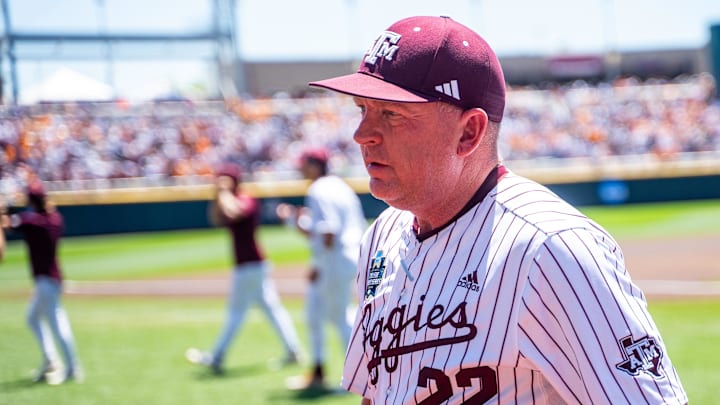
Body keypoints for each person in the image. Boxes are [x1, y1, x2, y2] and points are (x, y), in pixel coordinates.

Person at [308, 15, 688, 404]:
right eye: (362, 109)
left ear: (468, 132)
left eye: (391, 113)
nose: (361, 135)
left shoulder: (552, 249)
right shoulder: (382, 237)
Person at [185, 163, 302, 374]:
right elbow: (216, 218)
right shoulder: (227, 197)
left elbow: (234, 211)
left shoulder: (245, 197)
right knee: (272, 309)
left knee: (237, 313)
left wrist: (223, 192)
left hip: (251, 265)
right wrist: (218, 194)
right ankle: (293, 350)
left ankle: (217, 356)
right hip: (249, 265)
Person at [276, 147, 367, 391]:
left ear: (315, 165)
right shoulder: (339, 185)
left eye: (304, 163)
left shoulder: (319, 189)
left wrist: (294, 221)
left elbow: (328, 232)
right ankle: (317, 371)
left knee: (341, 318)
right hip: (344, 257)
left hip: (335, 259)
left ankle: (363, 376)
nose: (300, 168)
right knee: (314, 314)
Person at [1, 180, 82, 384]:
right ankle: (51, 360)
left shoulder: (34, 221)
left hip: (47, 281)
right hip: (50, 280)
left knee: (57, 323)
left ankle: (72, 367)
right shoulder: (55, 218)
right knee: (33, 318)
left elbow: (13, 223)